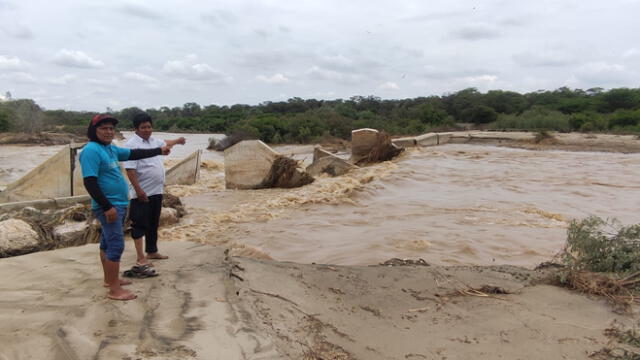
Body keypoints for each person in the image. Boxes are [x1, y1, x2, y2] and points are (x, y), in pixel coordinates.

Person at [80, 114, 172, 301]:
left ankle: (110, 280)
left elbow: (135, 154)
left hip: (118, 204)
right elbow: (90, 182)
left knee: (106, 243)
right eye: (104, 128)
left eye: (111, 129)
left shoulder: (111, 148)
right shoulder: (91, 150)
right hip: (110, 206)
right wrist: (107, 207)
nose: (108, 132)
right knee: (116, 245)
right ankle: (115, 290)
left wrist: (159, 151)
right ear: (94, 130)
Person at [123, 112, 185, 266]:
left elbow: (166, 143)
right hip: (141, 192)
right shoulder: (131, 145)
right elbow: (130, 170)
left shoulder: (153, 140)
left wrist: (177, 141)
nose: (147, 130)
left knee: (153, 223)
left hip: (156, 191)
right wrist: (138, 190)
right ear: (136, 129)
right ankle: (140, 257)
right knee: (139, 224)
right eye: (143, 127)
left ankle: (151, 251)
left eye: (149, 126)